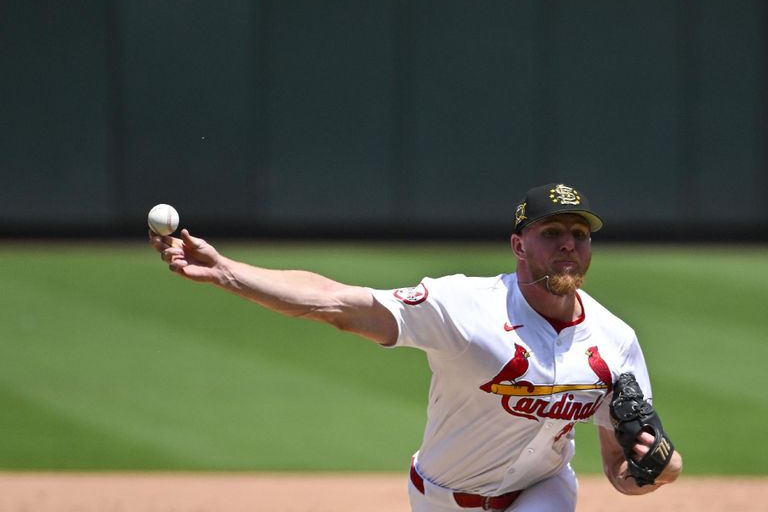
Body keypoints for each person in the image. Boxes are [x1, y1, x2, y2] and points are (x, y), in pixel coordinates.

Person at [150, 182, 682, 511]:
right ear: (519, 245)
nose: (569, 243)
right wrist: (228, 272)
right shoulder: (463, 306)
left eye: (580, 233)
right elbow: (338, 304)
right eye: (553, 232)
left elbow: (623, 472)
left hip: (543, 490)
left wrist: (659, 468)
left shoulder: (616, 342)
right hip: (438, 497)